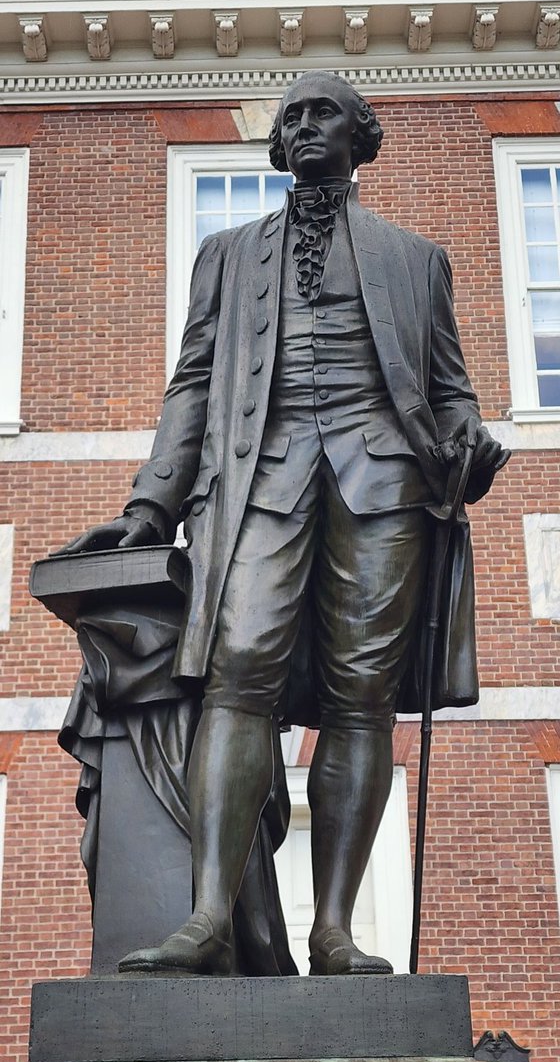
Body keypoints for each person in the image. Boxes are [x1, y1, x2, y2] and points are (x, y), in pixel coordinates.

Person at [57, 72, 508, 976]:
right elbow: (191, 386)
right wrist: (150, 504)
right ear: (277, 145)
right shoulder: (226, 255)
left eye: (323, 113)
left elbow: (450, 394)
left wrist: (472, 442)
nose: (304, 127)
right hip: (257, 482)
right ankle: (207, 918)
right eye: (290, 117)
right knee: (237, 674)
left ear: (360, 136)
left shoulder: (416, 259)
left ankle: (335, 929)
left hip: (382, 485)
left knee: (361, 697)